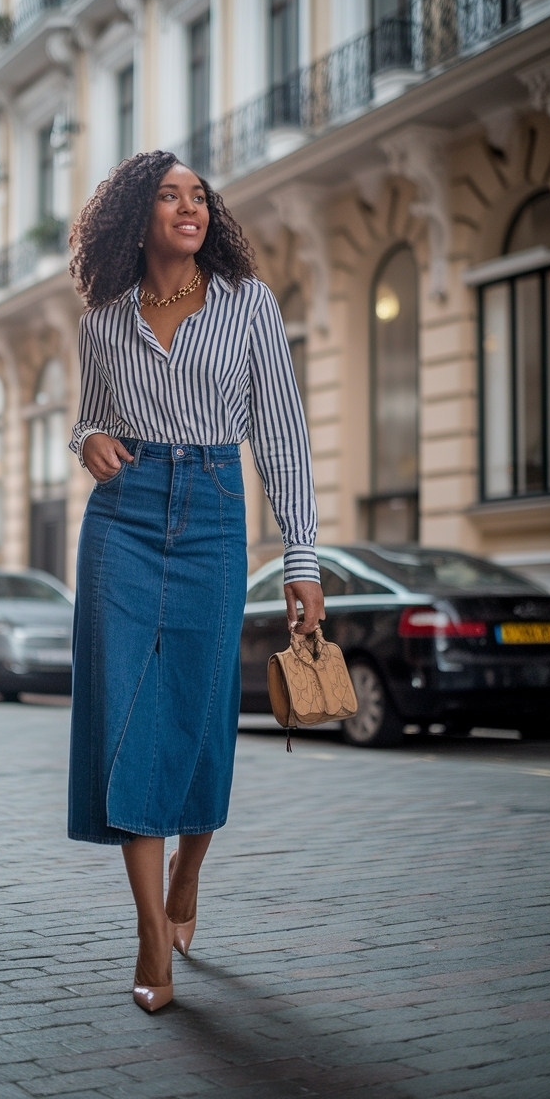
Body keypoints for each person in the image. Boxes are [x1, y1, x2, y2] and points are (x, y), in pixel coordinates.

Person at [68, 151, 324, 1012]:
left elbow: (282, 435)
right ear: (135, 216)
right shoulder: (102, 319)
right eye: (171, 196)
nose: (190, 207)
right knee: (125, 719)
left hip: (215, 512)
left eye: (199, 197)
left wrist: (302, 558)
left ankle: (190, 868)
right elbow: (90, 419)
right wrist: (85, 444)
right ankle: (149, 933)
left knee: (203, 716)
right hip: (122, 521)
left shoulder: (248, 304)